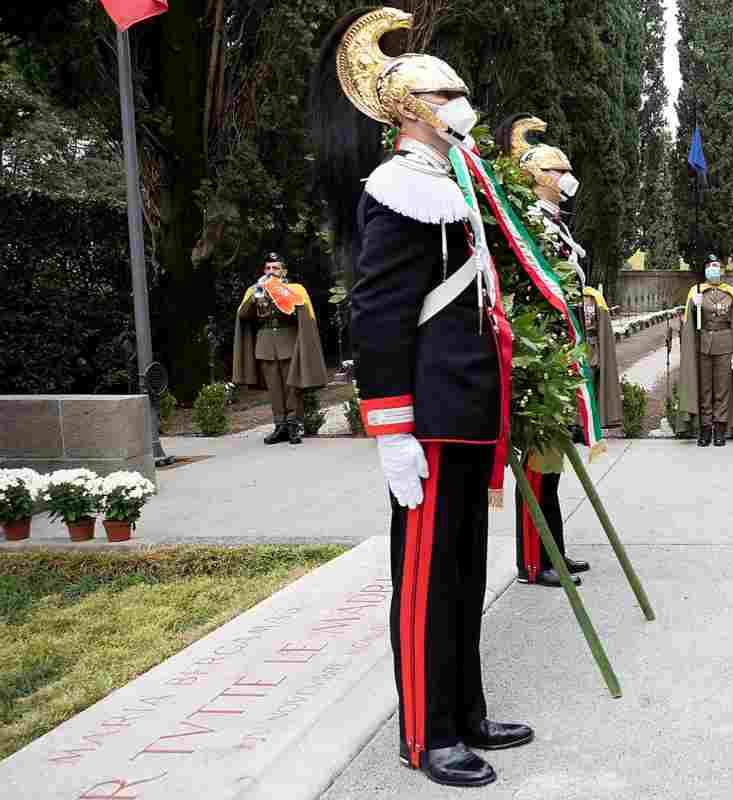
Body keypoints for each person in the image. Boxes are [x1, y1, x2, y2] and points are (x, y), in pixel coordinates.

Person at [310, 7, 529, 787]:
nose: (463, 105)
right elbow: (377, 313)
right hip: (429, 419)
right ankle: (426, 734)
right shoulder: (398, 187)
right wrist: (391, 429)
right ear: (409, 109)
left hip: (466, 410)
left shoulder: (454, 180)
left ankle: (466, 711)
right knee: (426, 581)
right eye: (448, 95)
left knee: (466, 572)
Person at [496, 114, 619, 587]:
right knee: (539, 465)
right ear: (534, 176)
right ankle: (533, 561)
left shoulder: (555, 224)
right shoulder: (531, 224)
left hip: (560, 351)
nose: (567, 179)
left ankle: (555, 551)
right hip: (541, 356)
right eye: (557, 171)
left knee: (552, 466)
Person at [231, 253, 327, 445]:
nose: (271, 272)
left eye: (275, 268)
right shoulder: (255, 289)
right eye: (267, 268)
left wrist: (281, 294)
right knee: (275, 389)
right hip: (266, 345)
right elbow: (243, 316)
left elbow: (303, 316)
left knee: (292, 388)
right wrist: (256, 296)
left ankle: (294, 426)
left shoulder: (295, 289)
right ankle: (279, 426)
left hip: (289, 343)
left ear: (284, 271)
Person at [678, 255, 733, 446]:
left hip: (725, 346)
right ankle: (705, 431)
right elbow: (690, 324)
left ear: (722, 270)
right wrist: (694, 306)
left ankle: (719, 430)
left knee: (722, 391)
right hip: (703, 345)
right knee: (705, 390)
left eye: (717, 266)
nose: (714, 269)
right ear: (705, 270)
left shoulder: (731, 294)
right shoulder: (696, 291)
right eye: (710, 266)